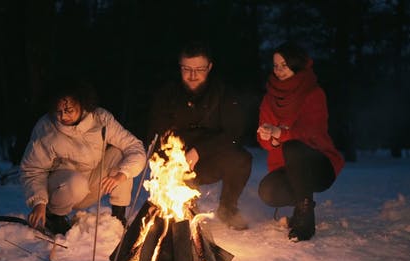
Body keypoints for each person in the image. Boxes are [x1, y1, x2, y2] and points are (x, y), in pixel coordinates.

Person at [148, 40, 253, 230]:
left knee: (241, 159)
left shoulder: (223, 93)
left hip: (211, 159)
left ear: (210, 67)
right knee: (181, 209)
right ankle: (185, 208)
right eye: (187, 69)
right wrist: (175, 160)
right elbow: (157, 133)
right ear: (180, 67)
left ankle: (227, 207)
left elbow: (233, 132)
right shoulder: (167, 94)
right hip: (179, 164)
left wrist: (199, 150)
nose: (193, 75)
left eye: (199, 69)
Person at [20, 80, 146, 235]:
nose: (63, 116)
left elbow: (135, 147)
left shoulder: (100, 119)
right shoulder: (47, 128)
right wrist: (39, 202)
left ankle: (118, 218)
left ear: (82, 103)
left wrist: (121, 175)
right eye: (58, 111)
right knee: (76, 182)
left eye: (68, 110)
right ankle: (55, 218)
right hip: (62, 188)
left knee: (120, 154)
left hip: (90, 184)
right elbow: (32, 170)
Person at [256, 42, 345, 242]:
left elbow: (312, 131)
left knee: (294, 147)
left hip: (318, 165)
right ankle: (300, 204)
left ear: (296, 65)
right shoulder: (269, 99)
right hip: (286, 168)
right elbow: (266, 142)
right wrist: (269, 138)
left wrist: (281, 133)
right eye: (275, 65)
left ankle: (305, 216)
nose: (278, 70)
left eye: (284, 65)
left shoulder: (313, 93)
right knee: (267, 191)